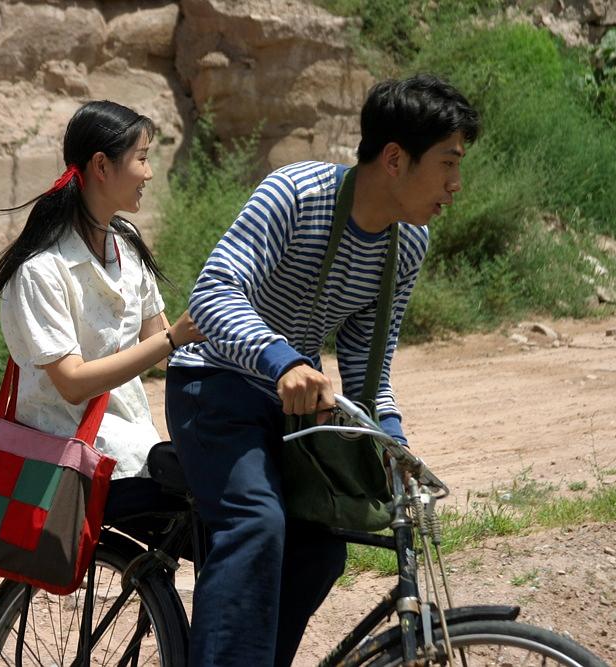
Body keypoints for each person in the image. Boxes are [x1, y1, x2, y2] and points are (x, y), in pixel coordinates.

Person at [164, 75, 481, 666]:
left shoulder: (407, 244)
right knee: (258, 523)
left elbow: (368, 373)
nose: (456, 184)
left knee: (321, 548)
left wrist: (394, 447)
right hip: (215, 383)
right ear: (395, 158)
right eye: (448, 163)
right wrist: (281, 359)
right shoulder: (295, 192)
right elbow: (211, 295)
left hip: (296, 409)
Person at [0, 100, 203, 497]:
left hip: (128, 436)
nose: (149, 173)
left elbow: (163, 347)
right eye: (142, 158)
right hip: (66, 455)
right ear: (101, 165)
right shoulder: (41, 269)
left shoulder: (127, 246)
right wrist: (173, 338)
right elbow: (72, 383)